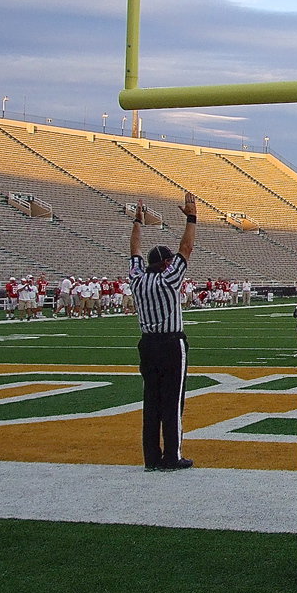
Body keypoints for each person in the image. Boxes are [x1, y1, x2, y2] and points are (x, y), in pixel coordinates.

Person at [130, 192, 198, 472]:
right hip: (171, 344)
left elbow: (133, 249)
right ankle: (172, 456)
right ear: (166, 264)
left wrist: (137, 220)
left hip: (147, 344)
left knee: (151, 402)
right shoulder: (170, 278)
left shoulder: (137, 279)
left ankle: (151, 458)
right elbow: (186, 247)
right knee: (173, 402)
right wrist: (192, 218)